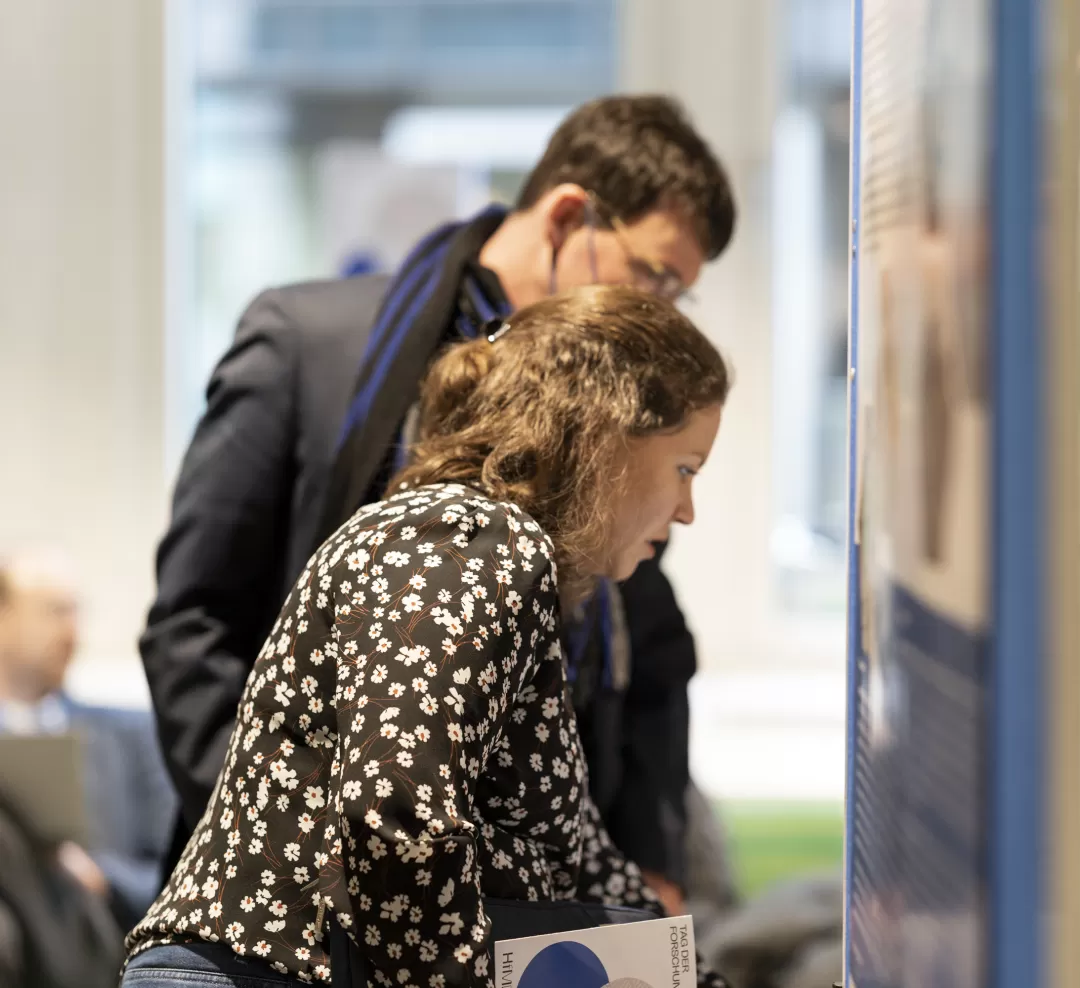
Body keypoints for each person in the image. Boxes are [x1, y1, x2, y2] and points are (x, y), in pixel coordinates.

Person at [140, 96, 736, 917]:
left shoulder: (615, 422)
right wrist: (286, 841)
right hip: (294, 906)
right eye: (656, 274)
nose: (662, 308)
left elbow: (650, 653)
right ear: (569, 216)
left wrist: (645, 867)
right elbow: (194, 624)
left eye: (681, 294)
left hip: (519, 898)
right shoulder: (306, 346)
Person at [123, 286, 729, 988]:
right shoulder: (471, 539)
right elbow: (395, 811)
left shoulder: (480, 550)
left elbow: (584, 863)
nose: (686, 510)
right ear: (607, 436)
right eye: (685, 468)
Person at [0, 550, 176, 933]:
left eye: (75, 612)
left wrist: (102, 877)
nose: (71, 632)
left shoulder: (134, 736)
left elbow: (182, 875)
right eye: (54, 611)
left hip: (101, 941)